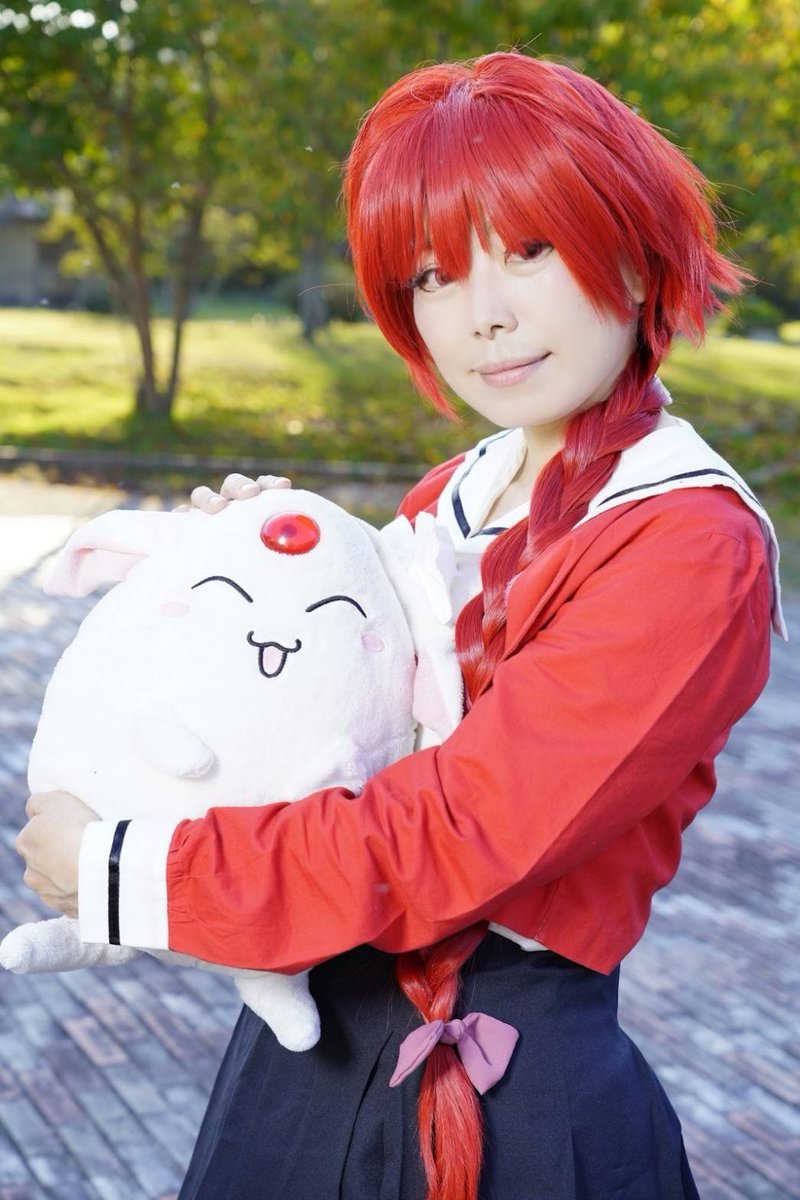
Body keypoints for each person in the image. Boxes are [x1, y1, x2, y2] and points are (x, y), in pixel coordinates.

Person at [15, 50, 786, 1200]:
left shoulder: (687, 542)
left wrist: (129, 870)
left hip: (516, 1097)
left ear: (628, 252)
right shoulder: (450, 494)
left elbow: (459, 831)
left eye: (528, 248)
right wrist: (257, 577)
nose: (484, 315)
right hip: (306, 1061)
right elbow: (330, 737)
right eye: (433, 272)